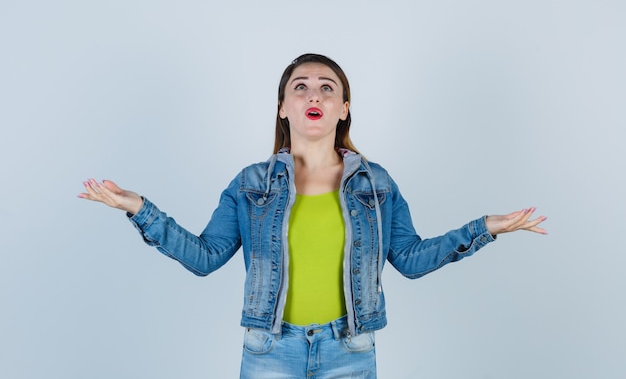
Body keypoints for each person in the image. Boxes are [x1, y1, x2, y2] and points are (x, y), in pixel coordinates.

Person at [78, 53, 547, 379]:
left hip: (350, 350)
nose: (312, 94)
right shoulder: (250, 184)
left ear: (344, 108)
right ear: (283, 107)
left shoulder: (375, 183)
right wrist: (140, 209)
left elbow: (410, 258)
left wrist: (485, 229)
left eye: (327, 87)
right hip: (268, 352)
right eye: (299, 88)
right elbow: (205, 256)